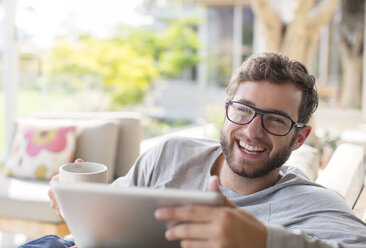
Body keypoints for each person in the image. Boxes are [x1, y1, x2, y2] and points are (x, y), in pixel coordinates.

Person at [23, 52, 366, 248]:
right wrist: (77, 202)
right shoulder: (170, 152)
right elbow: (110, 217)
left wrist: (261, 241)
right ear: (227, 108)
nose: (252, 131)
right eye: (243, 110)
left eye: (275, 120)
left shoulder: (311, 204)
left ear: (300, 137)